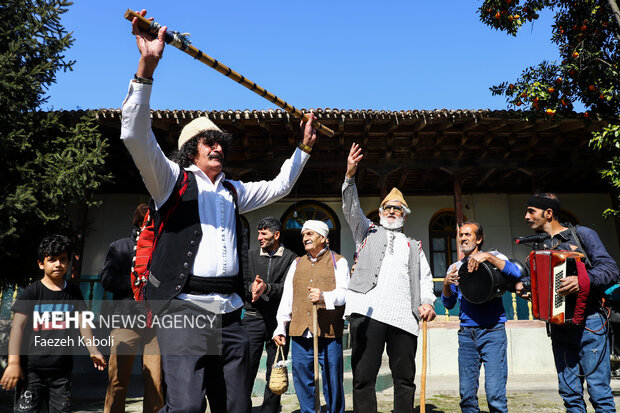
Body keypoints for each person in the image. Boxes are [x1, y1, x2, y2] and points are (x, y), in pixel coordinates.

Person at [123, 10, 317, 413]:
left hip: (230, 312)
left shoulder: (233, 191)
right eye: (208, 141)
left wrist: (304, 149)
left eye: (220, 142)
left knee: (236, 406)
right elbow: (135, 135)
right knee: (188, 407)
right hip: (183, 309)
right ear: (191, 149)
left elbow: (280, 186)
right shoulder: (170, 181)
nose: (218, 147)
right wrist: (146, 68)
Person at [341, 143, 436, 413]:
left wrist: (427, 302)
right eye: (388, 208)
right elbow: (350, 208)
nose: (392, 212)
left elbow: (426, 281)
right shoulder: (366, 232)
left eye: (398, 209)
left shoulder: (414, 246)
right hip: (368, 313)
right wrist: (350, 176)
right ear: (380, 213)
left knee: (404, 379)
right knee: (363, 377)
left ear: (404, 216)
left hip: (404, 318)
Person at [520, 193, 618, 413]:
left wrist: (582, 280)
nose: (526, 216)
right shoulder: (541, 244)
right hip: (559, 326)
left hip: (590, 323)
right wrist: (526, 287)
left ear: (548, 213)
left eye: (531, 211)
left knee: (599, 394)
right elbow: (541, 279)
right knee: (569, 395)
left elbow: (610, 269)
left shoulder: (582, 234)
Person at [0, 234, 106, 412]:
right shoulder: (32, 293)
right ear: (41, 263)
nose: (58, 264)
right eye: (52, 259)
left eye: (63, 259)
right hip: (31, 371)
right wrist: (13, 363)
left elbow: (83, 324)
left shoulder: (73, 293)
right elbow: (17, 328)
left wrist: (93, 350)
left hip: (61, 372)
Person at [441, 222, 521, 413]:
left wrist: (487, 257)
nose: (463, 238)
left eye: (468, 234)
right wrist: (445, 284)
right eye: (461, 235)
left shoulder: (495, 257)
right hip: (466, 335)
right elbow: (448, 304)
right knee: (467, 395)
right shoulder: (455, 267)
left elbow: (516, 273)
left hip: (493, 332)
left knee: (495, 395)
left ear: (479, 238)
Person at [273, 220, 349, 413]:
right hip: (300, 331)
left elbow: (345, 294)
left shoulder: (338, 261)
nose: (305, 238)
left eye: (310, 234)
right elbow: (287, 298)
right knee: (302, 380)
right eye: (303, 235)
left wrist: (324, 296)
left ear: (323, 238)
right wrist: (281, 326)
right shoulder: (296, 263)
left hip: (329, 332)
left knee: (332, 380)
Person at [100, 204, 164, 413]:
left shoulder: (162, 248)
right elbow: (107, 279)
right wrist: (137, 282)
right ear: (139, 222)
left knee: (156, 384)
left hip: (156, 323)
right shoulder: (120, 246)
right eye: (148, 220)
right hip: (126, 321)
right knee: (117, 380)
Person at [241, 217, 296, 413]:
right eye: (258, 233)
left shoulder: (291, 258)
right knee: (245, 369)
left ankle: (271, 410)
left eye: (264, 233)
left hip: (278, 323)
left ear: (276, 235)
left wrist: (267, 288)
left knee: (276, 370)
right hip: (252, 318)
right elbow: (242, 282)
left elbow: (290, 289)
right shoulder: (250, 255)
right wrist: (252, 288)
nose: (259, 237)